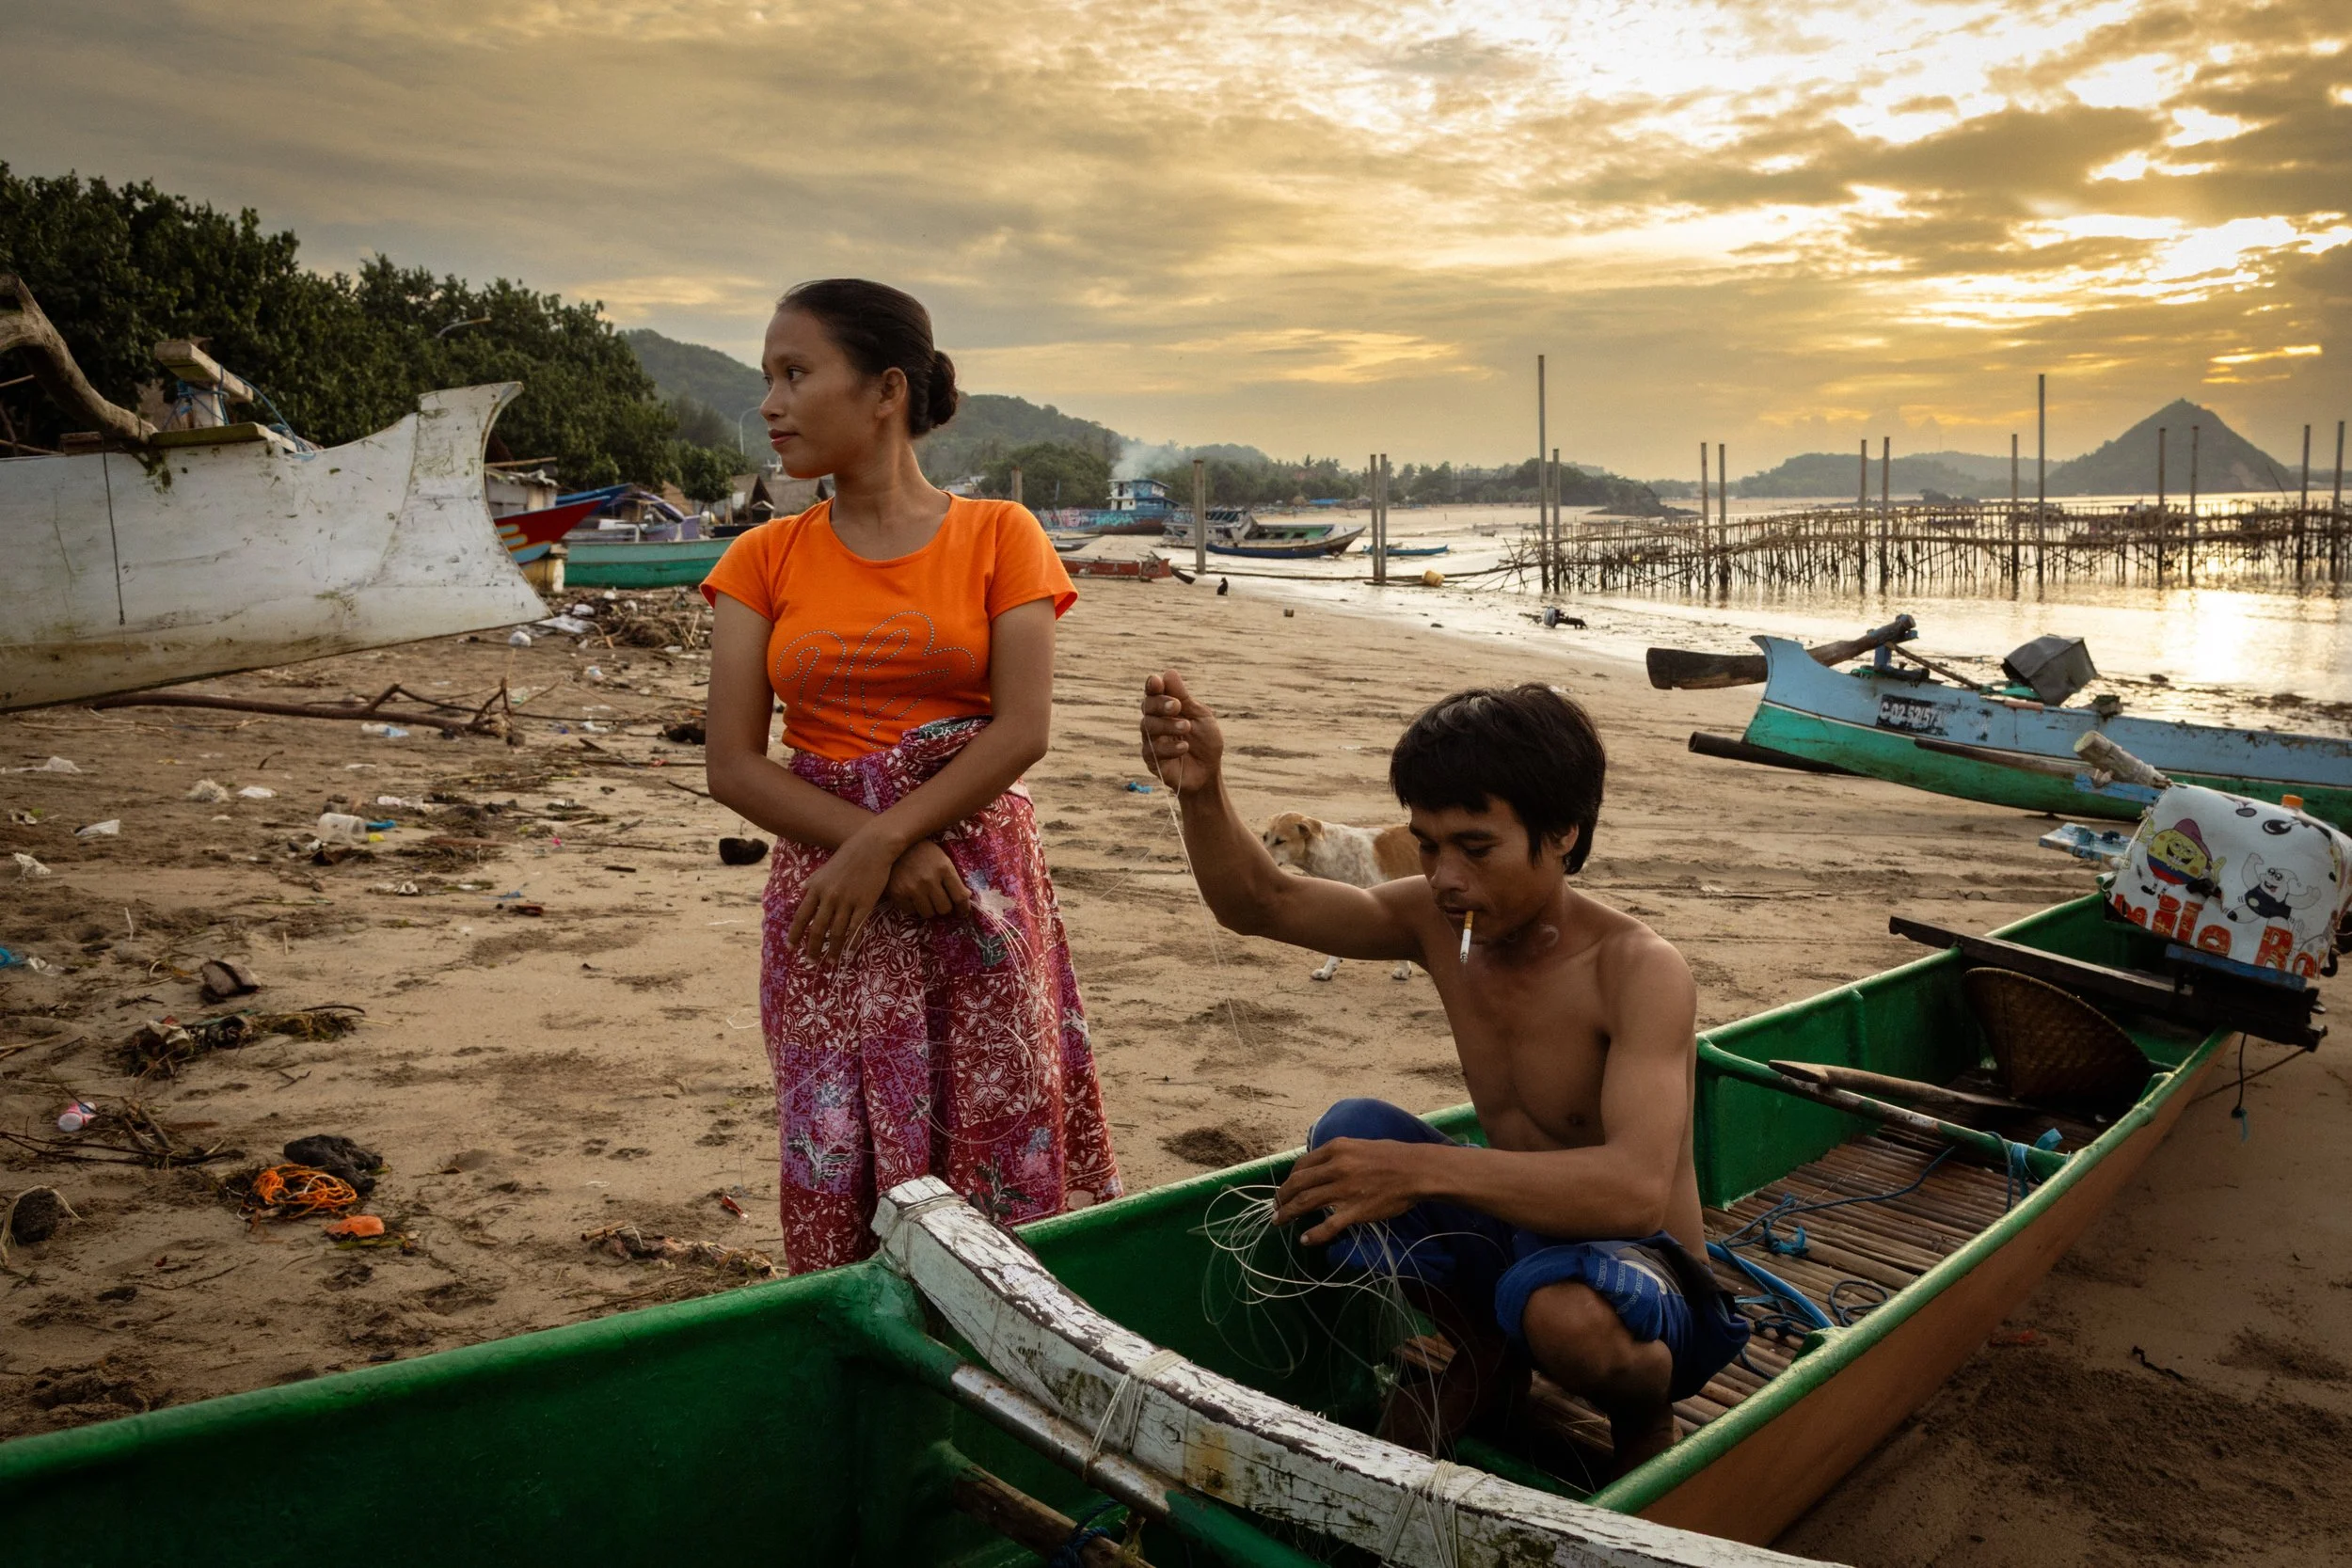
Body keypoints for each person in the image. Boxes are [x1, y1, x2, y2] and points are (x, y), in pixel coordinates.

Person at [1137, 673, 1745, 1473]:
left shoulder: (1636, 969)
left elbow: (1633, 1190)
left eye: (1475, 846)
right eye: (1427, 844)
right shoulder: (1441, 921)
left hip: (1644, 1269)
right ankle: (1485, 1343)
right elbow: (1263, 901)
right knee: (1347, 1136)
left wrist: (1421, 1168)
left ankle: (1645, 1423)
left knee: (1562, 1316)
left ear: (1561, 831)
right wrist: (1204, 790)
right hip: (1519, 1232)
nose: (1444, 875)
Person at [702, 278, 1120, 1273]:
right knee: (837, 1134)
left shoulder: (999, 535)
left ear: (886, 389)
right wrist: (871, 849)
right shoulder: (761, 557)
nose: (771, 403)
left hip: (972, 889)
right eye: (768, 377)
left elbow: (1021, 727)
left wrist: (890, 838)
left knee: (997, 1124)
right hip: (831, 902)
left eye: (796, 373)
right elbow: (730, 762)